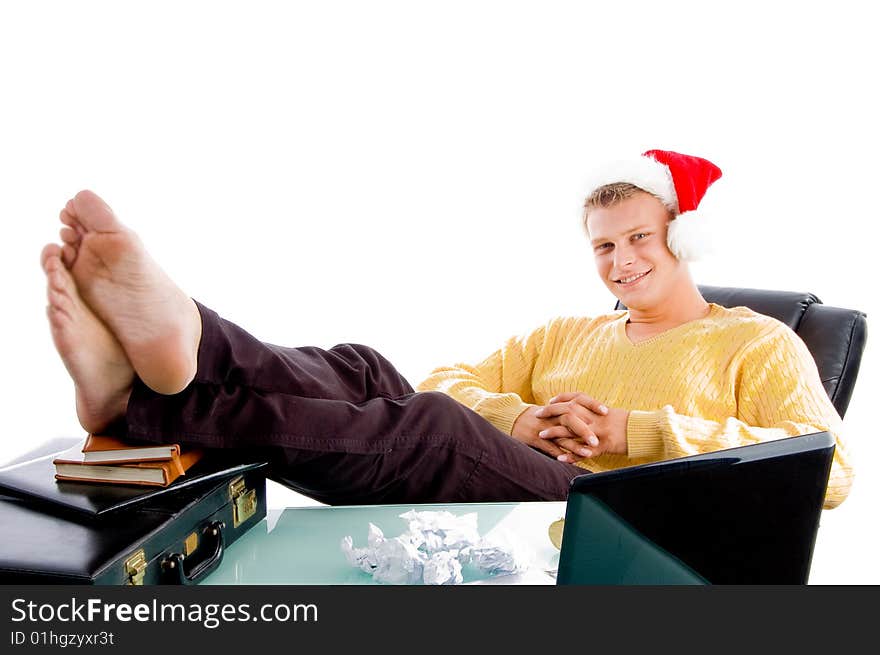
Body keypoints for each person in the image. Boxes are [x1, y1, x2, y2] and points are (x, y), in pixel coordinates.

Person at [40, 149, 852, 509]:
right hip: (533, 465)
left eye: (639, 237)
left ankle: (150, 404)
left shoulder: (755, 341)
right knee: (366, 369)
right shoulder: (567, 334)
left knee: (430, 431)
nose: (620, 261)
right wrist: (522, 417)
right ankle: (190, 341)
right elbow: (445, 381)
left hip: (624, 507)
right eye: (603, 245)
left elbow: (829, 471)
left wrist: (633, 431)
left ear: (680, 236)